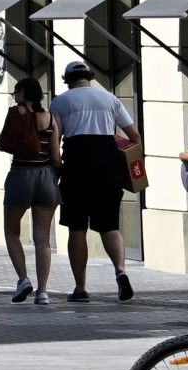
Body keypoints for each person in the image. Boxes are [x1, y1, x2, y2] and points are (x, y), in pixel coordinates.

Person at [51, 60, 138, 301]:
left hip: (76, 169)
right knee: (110, 225)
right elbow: (134, 136)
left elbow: (54, 142)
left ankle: (80, 288)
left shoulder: (60, 102)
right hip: (108, 168)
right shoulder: (110, 99)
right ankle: (121, 271)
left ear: (67, 80)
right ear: (89, 77)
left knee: (77, 228)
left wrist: (58, 167)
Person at [0, 73, 59, 304]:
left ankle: (23, 279)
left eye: (15, 92)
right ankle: (42, 291)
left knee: (11, 232)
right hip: (46, 178)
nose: (14, 96)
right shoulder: (50, 118)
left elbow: (4, 143)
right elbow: (56, 157)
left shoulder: (17, 115)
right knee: (43, 238)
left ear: (23, 94)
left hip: (21, 175)